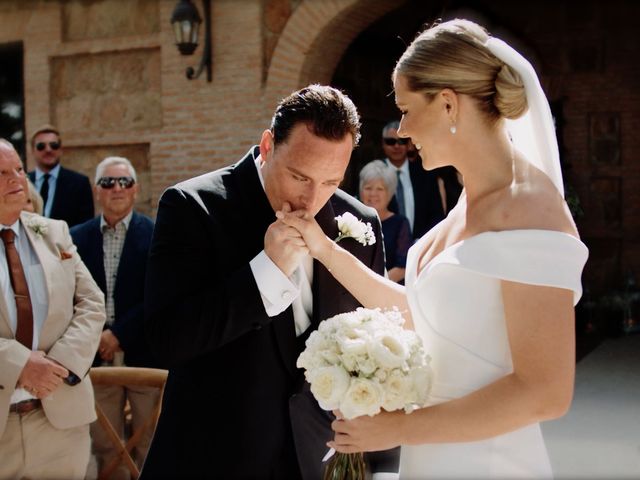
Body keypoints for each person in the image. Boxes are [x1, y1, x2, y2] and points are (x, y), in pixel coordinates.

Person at [279, 19, 589, 478]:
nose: (402, 130)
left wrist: (398, 429)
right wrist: (324, 249)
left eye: (405, 109)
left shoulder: (529, 208)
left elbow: (545, 392)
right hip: (433, 459)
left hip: (489, 464)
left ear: (447, 102)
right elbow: (421, 313)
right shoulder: (467, 202)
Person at [140, 85, 399, 479]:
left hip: (314, 462)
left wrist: (382, 464)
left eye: (331, 181)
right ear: (267, 146)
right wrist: (266, 272)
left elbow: (379, 340)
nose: (312, 200)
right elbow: (165, 341)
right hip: (211, 462)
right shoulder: (193, 207)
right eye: (299, 176)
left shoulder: (358, 222)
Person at [0, 138, 106, 479]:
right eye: (2, 173)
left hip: (60, 424)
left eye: (18, 168)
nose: (16, 179)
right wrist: (19, 365)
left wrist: (58, 365)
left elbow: (91, 303)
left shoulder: (54, 232)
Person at [70, 156, 159, 479]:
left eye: (124, 182)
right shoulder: (75, 238)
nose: (116, 188)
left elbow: (157, 295)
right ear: (97, 191)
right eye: (108, 182)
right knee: (106, 444)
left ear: (135, 190)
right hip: (95, 356)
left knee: (150, 441)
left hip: (144, 353)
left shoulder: (155, 233)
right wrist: (100, 337)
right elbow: (70, 296)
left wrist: (118, 334)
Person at [379, 120, 446, 238]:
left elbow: (437, 214)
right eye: (391, 142)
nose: (396, 146)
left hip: (421, 244)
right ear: (383, 144)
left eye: (402, 141)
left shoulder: (426, 174)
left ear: (409, 144)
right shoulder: (375, 173)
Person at [27, 124, 94, 227]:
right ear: (32, 151)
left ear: (60, 149)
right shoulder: (23, 182)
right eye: (41, 146)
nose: (48, 150)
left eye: (54, 145)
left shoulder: (79, 183)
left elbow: (85, 226)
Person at [359, 160, 412, 283]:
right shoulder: (351, 219)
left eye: (380, 189)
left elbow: (402, 267)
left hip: (387, 292)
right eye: (368, 188)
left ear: (389, 193)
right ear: (361, 191)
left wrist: (373, 286)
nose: (373, 194)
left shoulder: (400, 223)